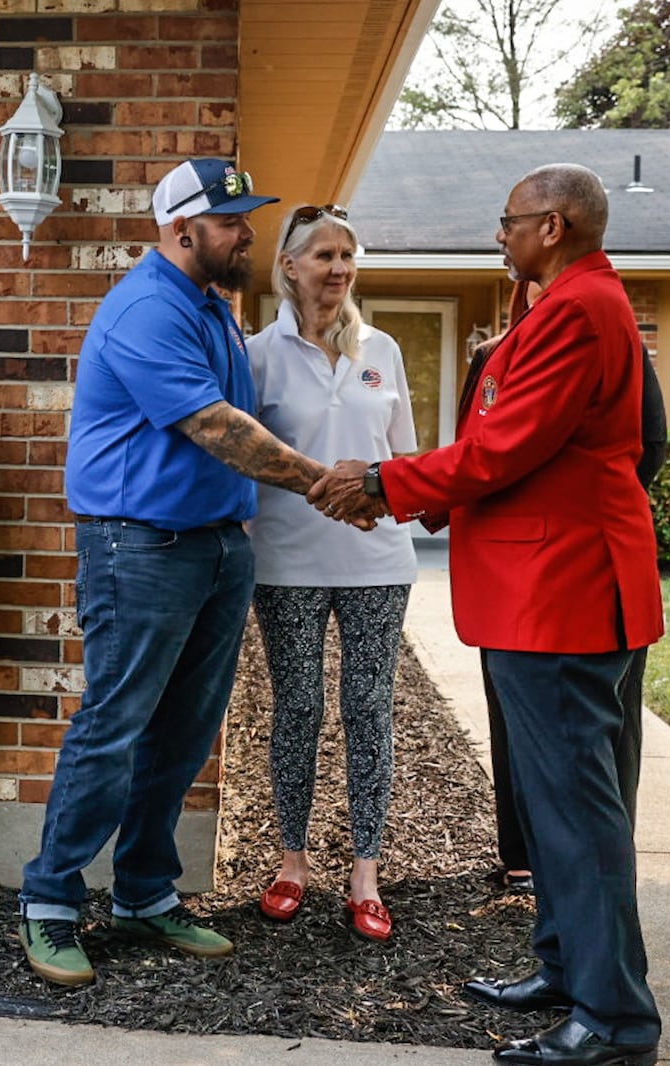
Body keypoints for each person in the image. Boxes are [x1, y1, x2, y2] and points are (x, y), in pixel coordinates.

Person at [311, 165, 663, 1066]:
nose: (498, 236)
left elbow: (504, 448)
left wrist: (384, 483)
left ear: (552, 225)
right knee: (551, 808)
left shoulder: (580, 312)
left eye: (508, 223)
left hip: (564, 593)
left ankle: (615, 1021)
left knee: (578, 813)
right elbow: (501, 445)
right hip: (546, 591)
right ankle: (564, 969)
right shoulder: (561, 303)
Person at [17, 159, 362, 988]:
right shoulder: (145, 309)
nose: (247, 233)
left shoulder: (210, 306)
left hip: (214, 546)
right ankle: (50, 902)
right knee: (114, 727)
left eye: (246, 218)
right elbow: (217, 427)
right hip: (140, 548)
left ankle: (142, 892)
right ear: (182, 231)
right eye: (232, 221)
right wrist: (325, 483)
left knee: (183, 735)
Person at [244, 205, 417, 941]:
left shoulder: (383, 349)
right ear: (289, 266)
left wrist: (383, 496)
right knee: (299, 709)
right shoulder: (257, 355)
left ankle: (366, 874)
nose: (338, 268)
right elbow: (243, 463)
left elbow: (403, 460)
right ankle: (292, 863)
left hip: (378, 563)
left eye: (347, 254)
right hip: (287, 565)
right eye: (323, 255)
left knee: (369, 709)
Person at [480, 283, 669, 896]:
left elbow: (649, 443)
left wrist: (580, 512)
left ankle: (601, 873)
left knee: (602, 742)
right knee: (517, 730)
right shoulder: (494, 355)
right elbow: (475, 452)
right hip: (508, 580)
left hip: (583, 573)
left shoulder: (607, 335)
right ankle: (524, 854)